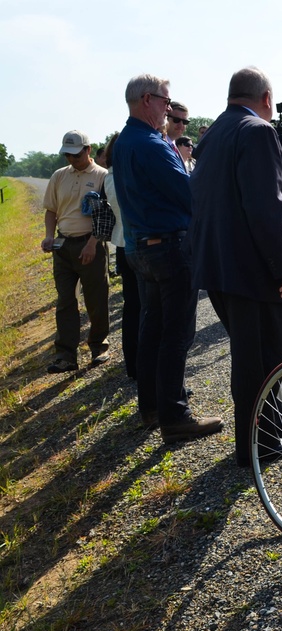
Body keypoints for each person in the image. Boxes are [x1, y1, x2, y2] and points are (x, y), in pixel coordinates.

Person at [190, 66, 282, 468]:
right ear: (264, 98)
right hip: (254, 270)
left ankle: (271, 425)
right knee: (257, 359)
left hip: (223, 267)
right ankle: (257, 443)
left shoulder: (212, 137)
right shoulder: (257, 131)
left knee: (260, 358)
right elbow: (266, 205)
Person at [114, 73, 223, 442]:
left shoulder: (125, 142)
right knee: (177, 333)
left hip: (141, 247)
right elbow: (187, 193)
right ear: (147, 100)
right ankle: (176, 417)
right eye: (165, 101)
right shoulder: (152, 144)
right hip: (169, 247)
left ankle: (152, 407)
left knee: (152, 329)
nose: (169, 108)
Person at [40, 130, 110, 373]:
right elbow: (51, 210)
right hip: (63, 246)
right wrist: (50, 236)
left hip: (91, 244)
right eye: (67, 155)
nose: (71, 159)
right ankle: (66, 355)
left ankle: (99, 346)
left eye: (76, 154)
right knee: (65, 301)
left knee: (96, 299)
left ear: (88, 150)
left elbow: (105, 217)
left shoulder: (102, 176)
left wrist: (92, 244)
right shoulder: (59, 176)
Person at [103, 132, 141, 381]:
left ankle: (133, 364)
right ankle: (138, 365)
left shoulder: (108, 177)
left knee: (132, 308)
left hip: (121, 246)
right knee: (141, 308)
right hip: (135, 245)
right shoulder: (122, 177)